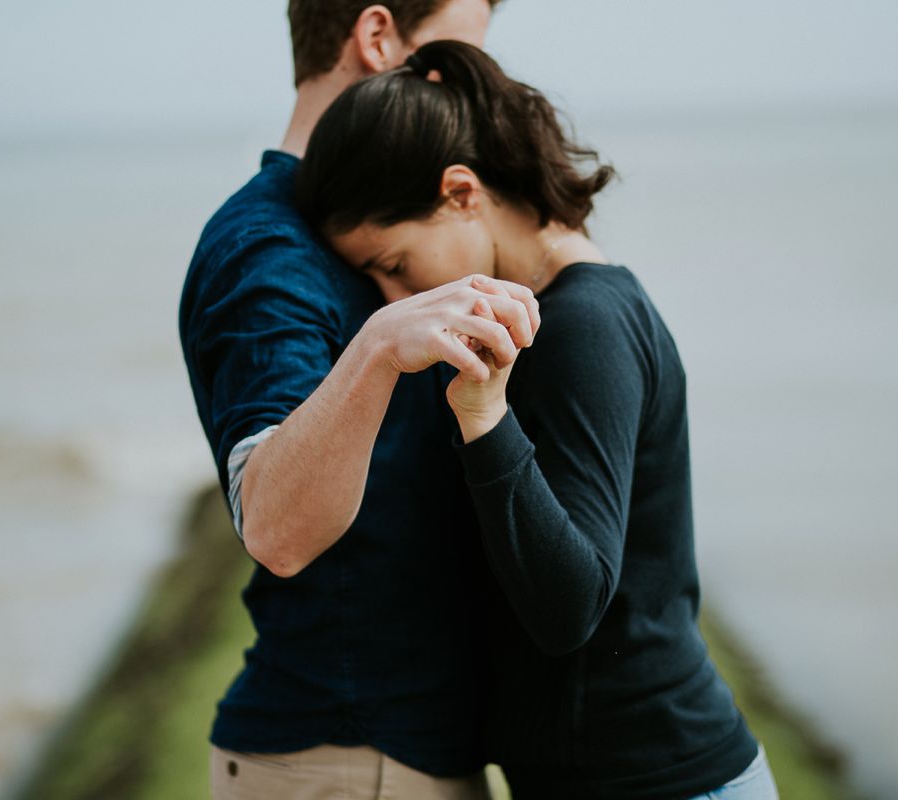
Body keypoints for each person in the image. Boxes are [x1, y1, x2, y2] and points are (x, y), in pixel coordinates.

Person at [296, 40, 780, 799]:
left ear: (462, 192)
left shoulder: (580, 325)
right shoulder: (554, 314)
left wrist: (484, 418)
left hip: (656, 778)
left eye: (394, 263)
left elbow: (570, 607)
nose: (393, 300)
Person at [178, 3, 536, 798]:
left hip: (397, 750)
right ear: (378, 39)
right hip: (346, 760)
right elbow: (272, 526)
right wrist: (375, 348)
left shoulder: (360, 221)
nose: (476, 82)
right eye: (458, 52)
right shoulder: (270, 249)